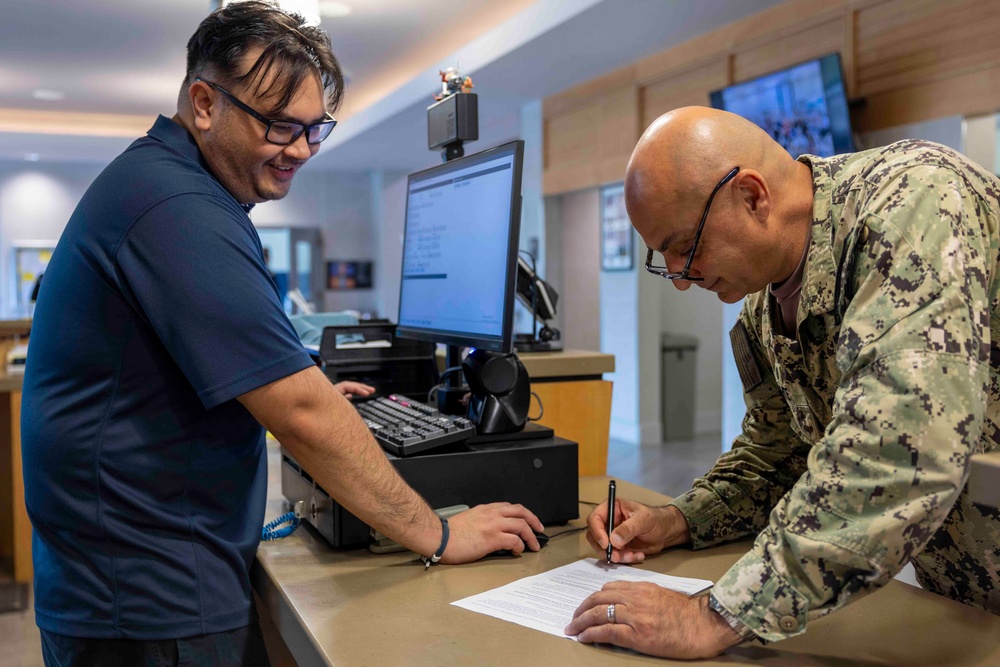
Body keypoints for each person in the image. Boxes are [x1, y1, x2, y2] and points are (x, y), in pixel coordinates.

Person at [21, 3, 542, 665]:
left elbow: (242, 369)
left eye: (314, 128)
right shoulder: (178, 209)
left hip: (128, 575)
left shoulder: (172, 187)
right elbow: (299, 414)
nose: (299, 149)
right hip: (146, 600)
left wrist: (308, 387)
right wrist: (437, 532)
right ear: (205, 103)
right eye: (278, 125)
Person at [565, 106, 1000, 659]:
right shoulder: (762, 310)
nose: (678, 278)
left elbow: (900, 451)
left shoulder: (912, 202)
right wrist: (676, 520)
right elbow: (777, 456)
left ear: (752, 196)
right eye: (664, 259)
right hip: (963, 601)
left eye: (685, 246)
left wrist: (717, 614)